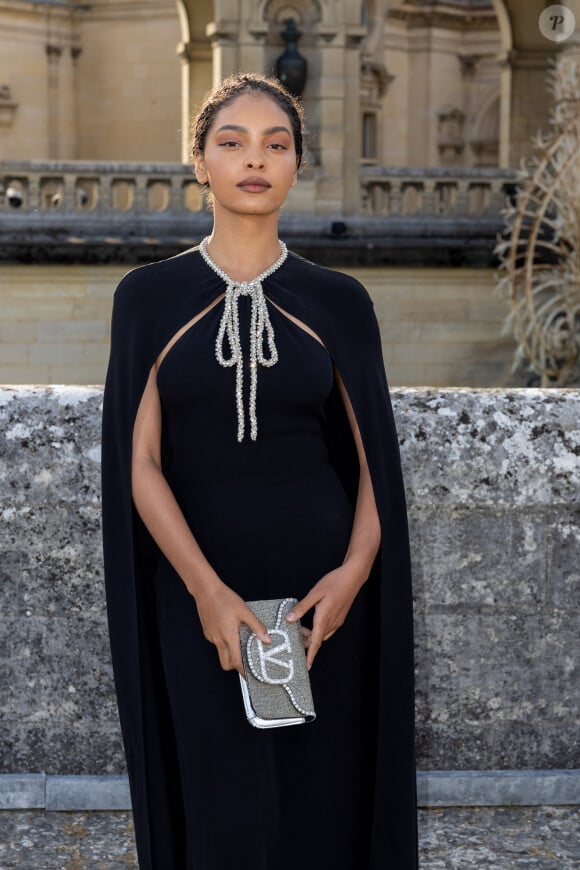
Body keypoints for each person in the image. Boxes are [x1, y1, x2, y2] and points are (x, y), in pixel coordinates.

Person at [101, 72, 417, 870]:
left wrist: (352, 572)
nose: (255, 160)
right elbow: (137, 462)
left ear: (297, 166)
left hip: (320, 605)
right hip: (197, 593)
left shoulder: (339, 300)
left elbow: (377, 457)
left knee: (323, 805)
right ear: (199, 162)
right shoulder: (147, 297)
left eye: (276, 145)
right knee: (220, 806)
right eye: (231, 143)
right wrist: (207, 591)